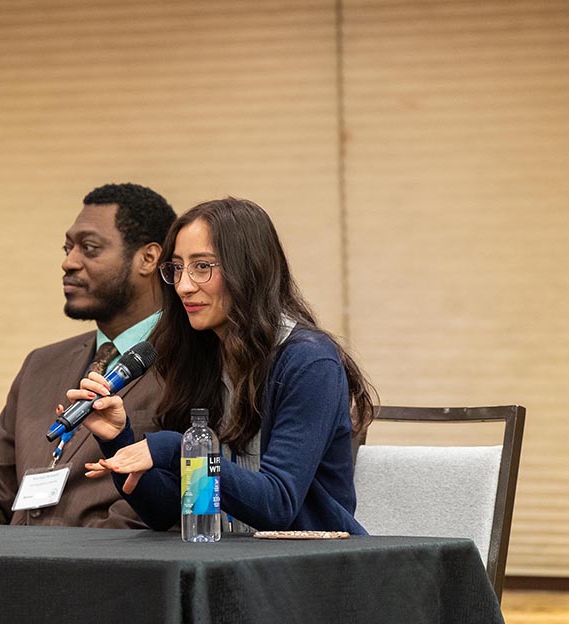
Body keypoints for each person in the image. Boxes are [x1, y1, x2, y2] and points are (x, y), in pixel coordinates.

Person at [74, 197, 375, 534]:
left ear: (248, 269)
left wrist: (178, 449)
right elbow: (167, 512)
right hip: (225, 563)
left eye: (202, 266)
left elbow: (277, 505)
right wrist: (118, 439)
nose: (184, 286)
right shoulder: (201, 357)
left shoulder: (309, 362)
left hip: (311, 566)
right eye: (176, 268)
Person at [0, 183, 176, 527]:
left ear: (148, 258)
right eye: (68, 247)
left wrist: (59, 569)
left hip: (104, 571)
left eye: (89, 248)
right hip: (6, 571)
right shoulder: (40, 365)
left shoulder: (189, 364)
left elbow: (157, 507)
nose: (68, 262)